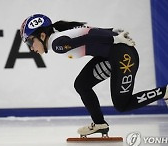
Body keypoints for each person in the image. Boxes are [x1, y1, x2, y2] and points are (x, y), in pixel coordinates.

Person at [20, 14, 168, 137]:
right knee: (81, 85)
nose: (31, 49)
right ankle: (99, 124)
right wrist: (112, 31)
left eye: (29, 43)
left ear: (42, 35)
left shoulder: (56, 44)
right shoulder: (59, 36)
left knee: (122, 104)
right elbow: (90, 31)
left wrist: (113, 38)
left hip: (123, 56)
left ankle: (164, 92)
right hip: (111, 55)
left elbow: (87, 38)